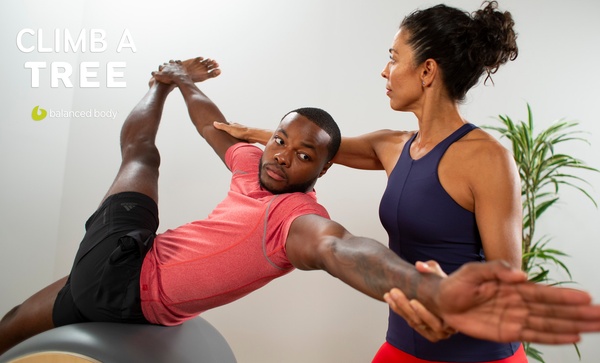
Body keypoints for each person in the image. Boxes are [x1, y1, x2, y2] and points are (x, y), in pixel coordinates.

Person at [2, 56, 600, 360]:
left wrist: (431, 294)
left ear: (322, 170)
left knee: (26, 317)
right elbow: (212, 123)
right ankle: (156, 82)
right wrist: (179, 84)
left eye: (304, 155)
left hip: (140, 300)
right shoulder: (251, 162)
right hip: (120, 258)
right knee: (141, 155)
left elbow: (344, 250)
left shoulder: (294, 223)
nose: (284, 157)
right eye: (280, 141)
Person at [212, 1, 599, 362]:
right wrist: (255, 133)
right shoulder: (392, 146)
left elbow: (508, 282)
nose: (385, 70)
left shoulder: (487, 157)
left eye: (394, 58)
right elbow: (316, 146)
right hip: (404, 343)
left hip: (479, 353)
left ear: (427, 71)